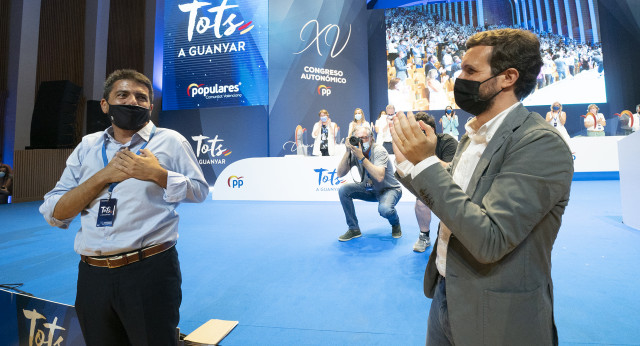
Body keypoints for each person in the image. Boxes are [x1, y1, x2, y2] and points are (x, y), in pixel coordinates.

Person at [390, 28, 573, 345]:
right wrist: (410, 162)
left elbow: (490, 238)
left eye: (470, 71)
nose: (458, 79)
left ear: (508, 78)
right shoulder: (473, 135)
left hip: (498, 313)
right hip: (446, 294)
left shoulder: (540, 143)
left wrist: (426, 162)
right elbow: (451, 202)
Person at [39, 69, 209, 345]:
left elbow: (200, 191)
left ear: (150, 107)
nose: (132, 102)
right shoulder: (87, 146)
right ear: (105, 104)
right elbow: (55, 211)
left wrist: (158, 174)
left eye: (141, 98)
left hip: (149, 270)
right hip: (92, 275)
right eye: (123, 95)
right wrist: (104, 176)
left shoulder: (171, 141)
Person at [336, 126, 402, 241]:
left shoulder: (379, 150)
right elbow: (340, 174)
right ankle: (354, 229)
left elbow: (379, 177)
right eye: (357, 138)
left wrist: (361, 158)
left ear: (371, 138)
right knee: (343, 190)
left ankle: (395, 223)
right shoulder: (355, 152)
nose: (361, 141)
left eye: (364, 138)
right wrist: (347, 152)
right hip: (369, 189)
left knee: (385, 210)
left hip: (389, 189)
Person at [409, 112, 457, 252]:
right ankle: (424, 236)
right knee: (420, 201)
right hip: (430, 184)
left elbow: (450, 169)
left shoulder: (448, 141)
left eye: (420, 131)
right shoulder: (413, 147)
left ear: (431, 130)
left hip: (453, 184)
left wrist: (428, 154)